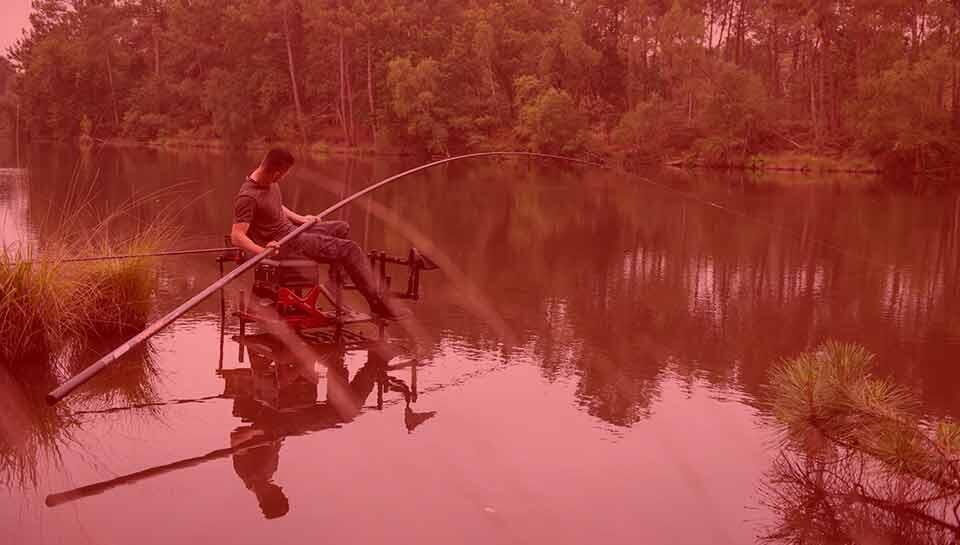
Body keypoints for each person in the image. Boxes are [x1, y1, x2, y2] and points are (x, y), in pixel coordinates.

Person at [230, 148, 403, 319]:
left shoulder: (269, 182)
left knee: (341, 228)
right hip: (284, 245)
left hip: (292, 231)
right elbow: (237, 236)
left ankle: (334, 284)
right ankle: (376, 303)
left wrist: (301, 219)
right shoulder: (247, 197)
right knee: (350, 249)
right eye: (283, 175)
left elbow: (276, 207)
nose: (283, 178)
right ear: (275, 173)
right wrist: (261, 250)